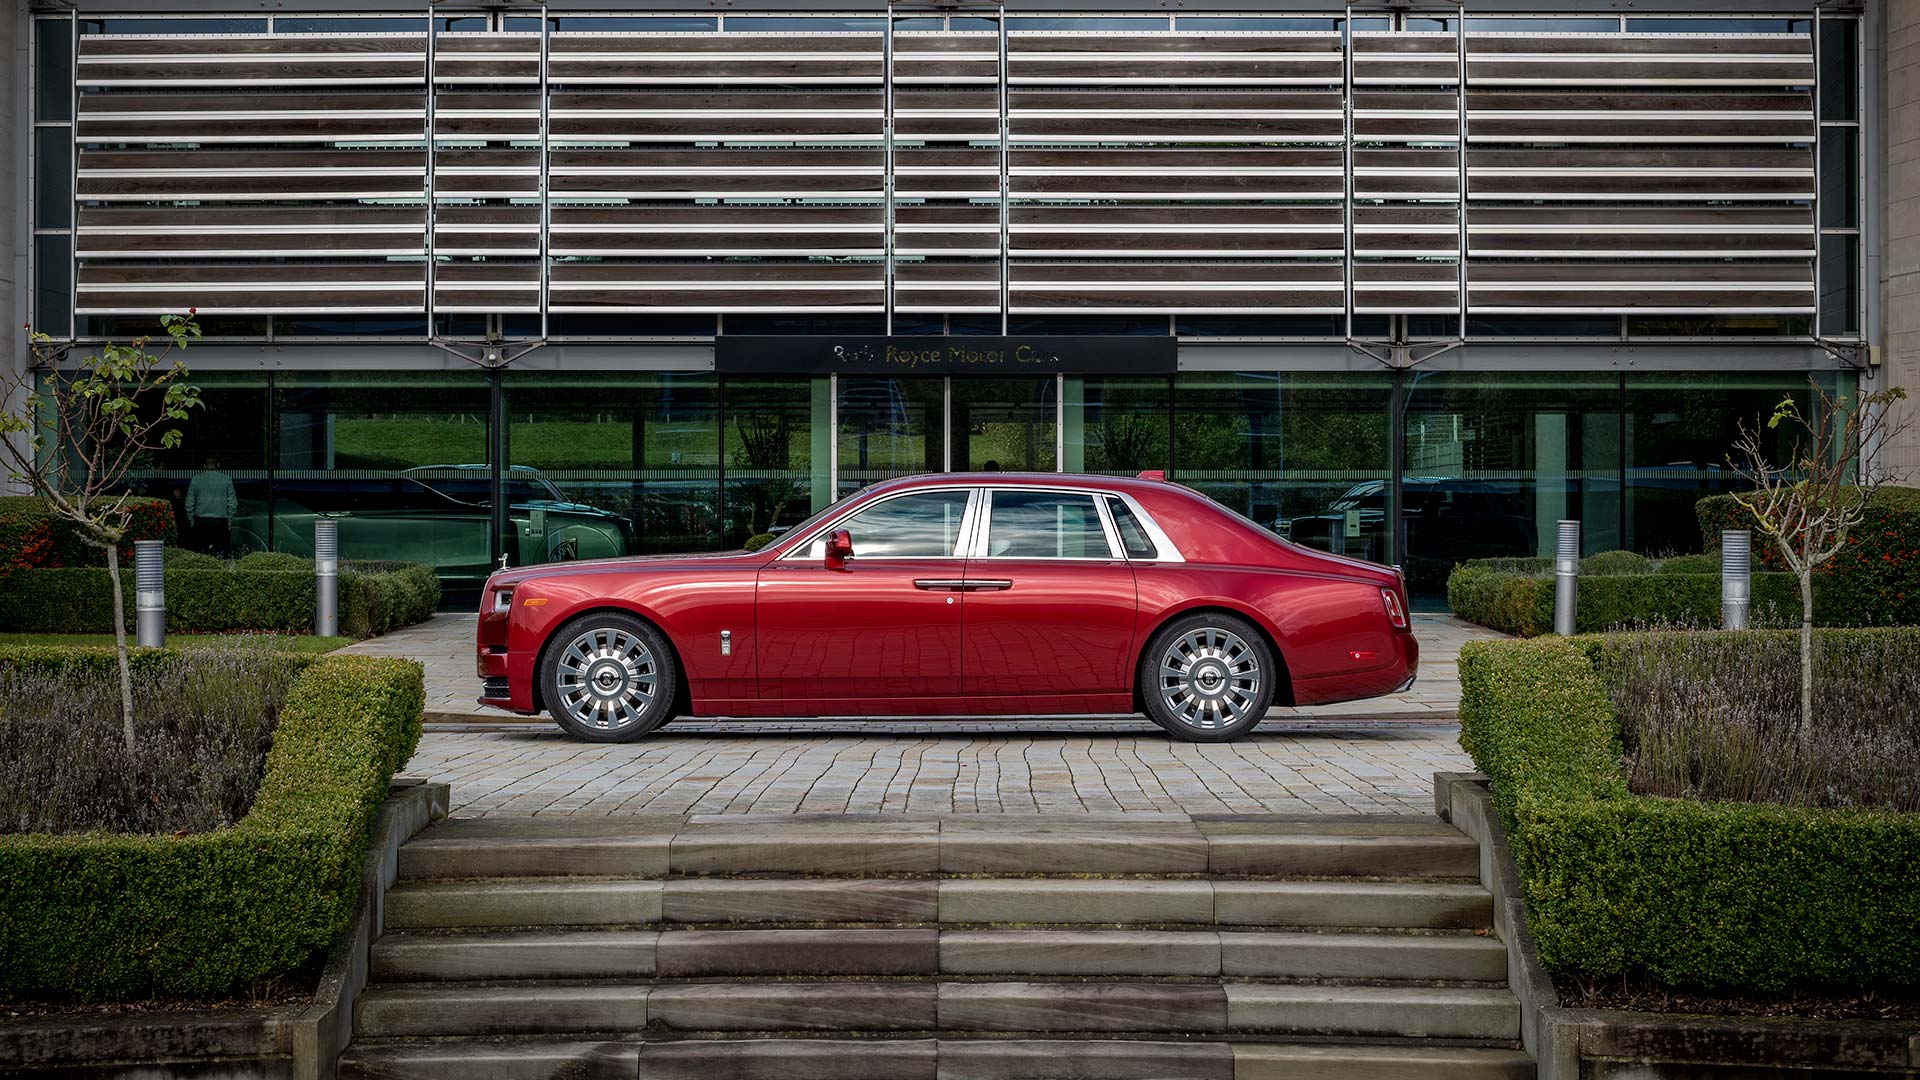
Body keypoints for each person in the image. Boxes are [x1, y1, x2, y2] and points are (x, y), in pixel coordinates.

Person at [185, 457, 238, 557]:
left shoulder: (196, 479)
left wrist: (191, 521)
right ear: (218, 465)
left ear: (204, 466)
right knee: (222, 555)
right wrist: (229, 522)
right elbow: (232, 504)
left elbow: (189, 504)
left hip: (201, 522)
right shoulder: (226, 479)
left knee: (200, 555)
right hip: (220, 522)